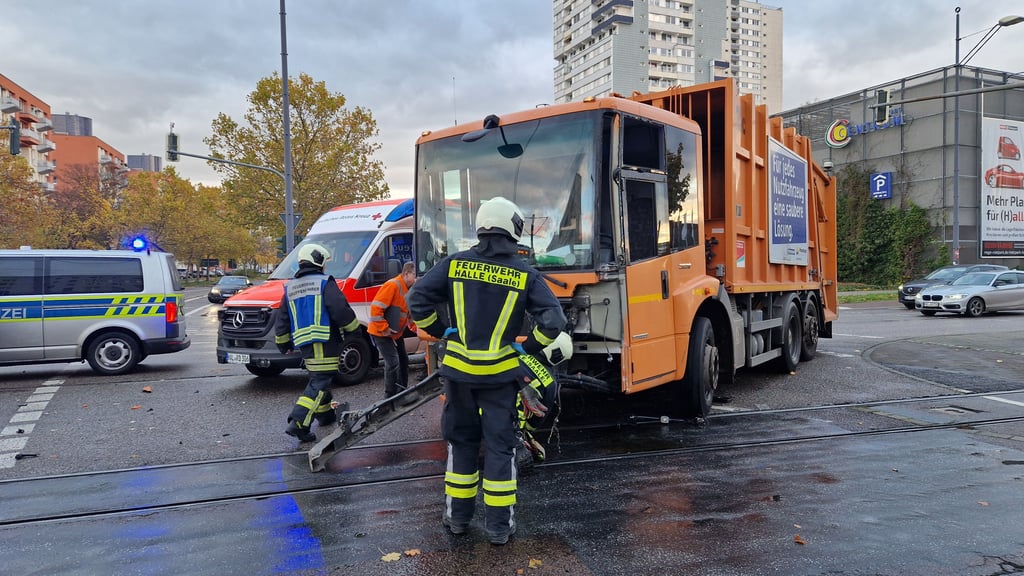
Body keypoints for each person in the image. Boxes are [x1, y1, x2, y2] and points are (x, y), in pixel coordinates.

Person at [407, 196, 571, 546]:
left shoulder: (454, 264)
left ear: (481, 226)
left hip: (459, 376)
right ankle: (499, 527)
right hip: (499, 379)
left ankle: (458, 520)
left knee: (461, 444)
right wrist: (526, 348)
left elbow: (417, 298)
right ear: (512, 228)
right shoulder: (525, 273)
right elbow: (554, 322)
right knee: (500, 449)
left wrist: (439, 330)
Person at [274, 242, 361, 443]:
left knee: (319, 379)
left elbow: (282, 319)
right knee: (321, 382)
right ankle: (298, 423)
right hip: (324, 341)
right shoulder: (324, 283)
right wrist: (354, 330)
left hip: (305, 344)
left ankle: (325, 415)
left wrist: (283, 343)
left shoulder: (290, 288)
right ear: (319, 261)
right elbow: (340, 310)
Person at [367, 260, 417, 400]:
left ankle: (401, 391)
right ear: (406, 274)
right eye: (414, 275)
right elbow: (376, 309)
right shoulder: (393, 285)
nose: (416, 278)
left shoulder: (407, 289)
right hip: (381, 332)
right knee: (393, 362)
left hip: (393, 333)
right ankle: (390, 395)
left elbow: (408, 315)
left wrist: (416, 329)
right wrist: (385, 328)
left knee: (403, 360)